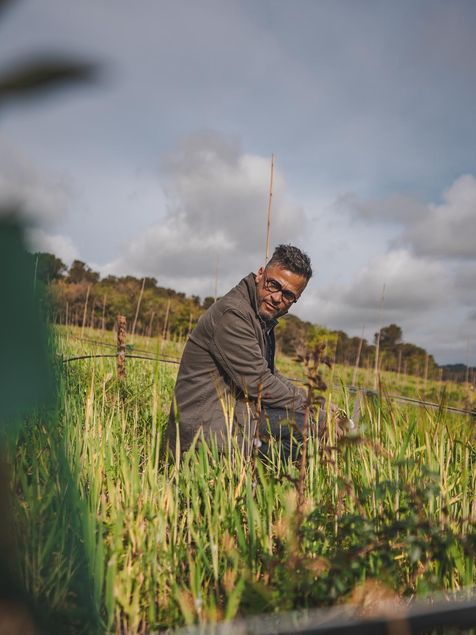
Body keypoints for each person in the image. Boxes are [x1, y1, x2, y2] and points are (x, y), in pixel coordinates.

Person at [167, 244, 324, 457]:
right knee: (307, 430)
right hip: (202, 433)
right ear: (261, 274)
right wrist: (315, 413)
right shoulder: (233, 315)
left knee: (307, 426)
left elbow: (269, 374)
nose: (277, 297)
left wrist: (315, 403)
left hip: (231, 417)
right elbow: (258, 383)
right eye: (273, 285)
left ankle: (259, 480)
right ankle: (248, 481)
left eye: (288, 295)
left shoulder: (260, 316)